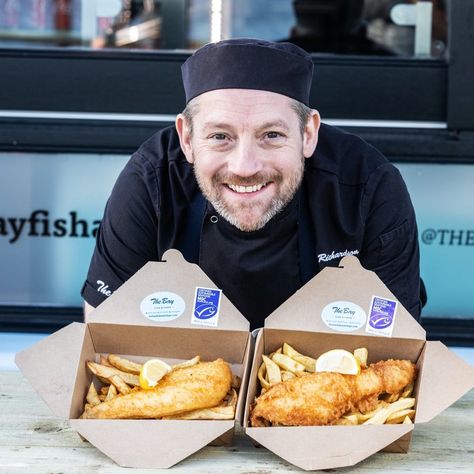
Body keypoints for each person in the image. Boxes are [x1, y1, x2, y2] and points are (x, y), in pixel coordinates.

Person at [82, 38, 423, 328]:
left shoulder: (367, 186)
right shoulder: (152, 180)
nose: (245, 167)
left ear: (308, 134)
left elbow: (396, 344)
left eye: (271, 135)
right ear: (186, 138)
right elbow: (104, 328)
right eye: (220, 136)